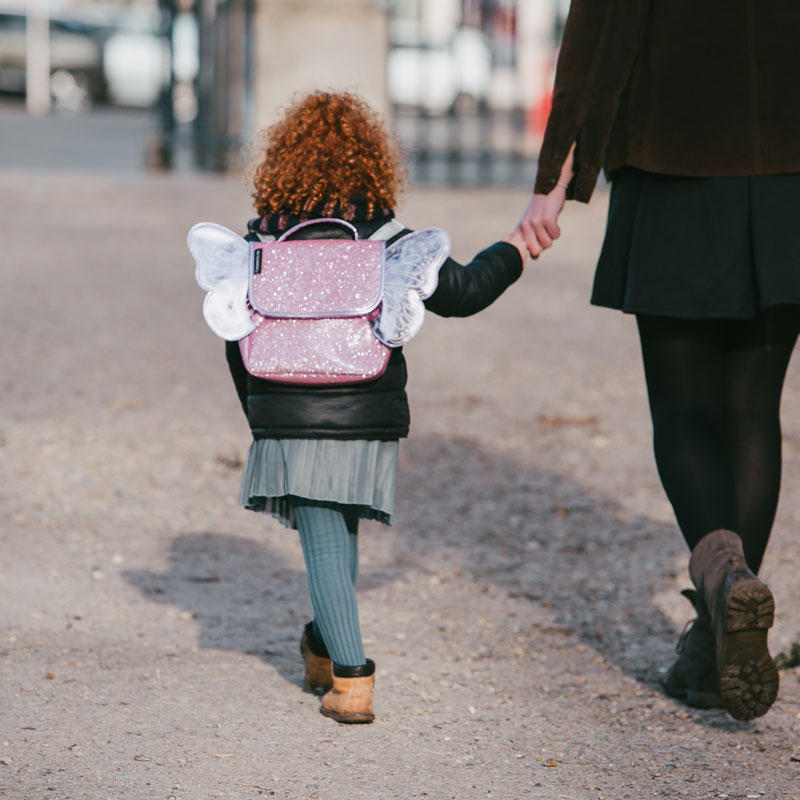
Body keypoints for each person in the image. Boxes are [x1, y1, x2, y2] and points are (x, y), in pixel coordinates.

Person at [515, 1, 800, 721]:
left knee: (682, 411)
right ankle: (713, 642)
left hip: (675, 160)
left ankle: (724, 586)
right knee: (753, 409)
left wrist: (556, 178)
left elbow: (602, 31)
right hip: (790, 165)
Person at [223, 91, 526, 724]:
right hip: (365, 407)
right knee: (338, 529)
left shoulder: (262, 240)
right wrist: (514, 250)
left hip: (287, 404)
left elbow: (236, 337)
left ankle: (352, 678)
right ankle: (321, 643)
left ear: (281, 164)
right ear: (372, 164)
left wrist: (258, 415)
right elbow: (465, 292)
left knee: (325, 537)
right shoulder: (385, 237)